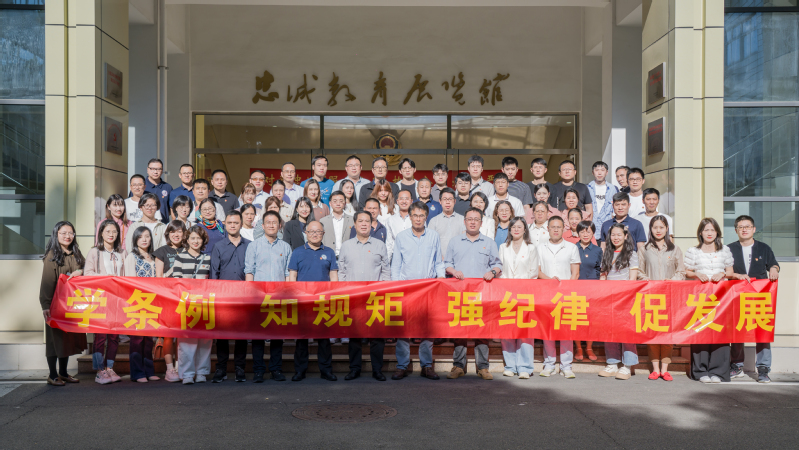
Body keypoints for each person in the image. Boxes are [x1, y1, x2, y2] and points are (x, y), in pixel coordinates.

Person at [445, 208, 502, 380]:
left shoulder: (489, 242)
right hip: (460, 293)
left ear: (481, 223)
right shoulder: (455, 241)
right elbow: (447, 264)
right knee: (459, 331)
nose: (472, 222)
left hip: (481, 294)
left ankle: (483, 367)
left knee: (482, 331)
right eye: (469, 219)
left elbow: (498, 265)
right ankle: (458, 366)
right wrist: (454, 271)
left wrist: (492, 272)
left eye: (476, 219)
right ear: (464, 221)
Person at [391, 201, 445, 380]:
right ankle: (402, 365)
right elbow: (396, 265)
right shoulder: (401, 237)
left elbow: (438, 262)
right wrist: (396, 288)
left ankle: (426, 366)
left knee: (427, 329)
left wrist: (441, 280)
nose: (418, 219)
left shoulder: (434, 236)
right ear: (410, 216)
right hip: (406, 289)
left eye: (422, 215)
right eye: (415, 215)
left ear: (426, 217)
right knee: (403, 329)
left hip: (428, 289)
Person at [338, 211, 391, 381]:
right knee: (354, 336)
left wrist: (384, 293)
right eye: (360, 221)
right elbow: (342, 271)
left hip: (375, 297)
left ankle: (377, 370)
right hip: (353, 298)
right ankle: (354, 369)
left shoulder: (379, 245)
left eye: (367, 221)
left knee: (377, 336)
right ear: (354, 224)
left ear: (371, 225)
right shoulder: (346, 246)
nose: (363, 224)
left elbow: (385, 271)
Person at [727, 215, 780, 383]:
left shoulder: (763, 248)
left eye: (747, 226)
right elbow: (725, 271)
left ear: (754, 229)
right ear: (736, 230)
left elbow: (774, 264)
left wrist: (774, 269)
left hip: (759, 297)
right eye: (741, 227)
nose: (744, 229)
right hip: (737, 296)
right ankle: (736, 366)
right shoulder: (729, 249)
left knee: (762, 331)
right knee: (737, 331)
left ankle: (763, 369)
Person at [245, 211, 293, 382]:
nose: (271, 225)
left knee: (277, 336)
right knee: (258, 336)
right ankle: (258, 370)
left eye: (274, 222)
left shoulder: (285, 247)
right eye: (268, 222)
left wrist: (287, 295)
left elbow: (287, 273)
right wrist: (250, 295)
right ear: (263, 225)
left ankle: (276, 369)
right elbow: (249, 271)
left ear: (279, 226)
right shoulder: (254, 246)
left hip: (279, 297)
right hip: (259, 297)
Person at [684, 217, 734, 384]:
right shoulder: (693, 251)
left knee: (720, 332)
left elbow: (730, 272)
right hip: (701, 297)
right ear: (700, 233)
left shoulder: (724, 250)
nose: (709, 233)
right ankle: (701, 371)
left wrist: (723, 274)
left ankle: (718, 371)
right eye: (706, 230)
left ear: (717, 232)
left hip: (721, 298)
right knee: (701, 332)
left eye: (712, 230)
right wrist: (697, 274)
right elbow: (687, 272)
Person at [288, 221, 338, 381]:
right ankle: (300, 370)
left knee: (324, 338)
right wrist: (293, 297)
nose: (315, 234)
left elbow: (333, 276)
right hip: (303, 302)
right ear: (306, 233)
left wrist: (333, 296)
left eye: (318, 231)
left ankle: (326, 370)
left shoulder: (329, 252)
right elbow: (292, 276)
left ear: (323, 233)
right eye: (311, 231)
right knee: (302, 338)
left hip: (323, 301)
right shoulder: (297, 252)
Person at [638, 215, 685, 382]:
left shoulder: (675, 249)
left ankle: (665, 369)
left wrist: (672, 280)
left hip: (670, 297)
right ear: (650, 229)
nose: (658, 230)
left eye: (661, 227)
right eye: (655, 227)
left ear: (667, 229)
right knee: (652, 333)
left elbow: (681, 272)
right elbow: (639, 272)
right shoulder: (644, 249)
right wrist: (648, 282)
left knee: (667, 334)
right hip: (651, 297)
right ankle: (655, 369)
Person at [40, 221, 87, 386]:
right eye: (63, 233)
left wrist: (80, 271)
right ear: (56, 234)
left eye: (70, 233)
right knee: (54, 340)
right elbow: (46, 283)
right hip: (55, 304)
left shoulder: (75, 253)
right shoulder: (52, 255)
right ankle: (52, 375)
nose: (68, 236)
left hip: (71, 304)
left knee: (65, 339)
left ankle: (64, 373)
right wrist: (46, 305)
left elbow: (86, 268)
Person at [211, 211, 252, 383]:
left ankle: (239, 369)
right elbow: (214, 273)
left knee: (241, 336)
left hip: (243, 296)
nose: (233, 225)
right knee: (222, 336)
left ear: (241, 224)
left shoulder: (250, 245)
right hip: (224, 296)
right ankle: (221, 369)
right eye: (230, 223)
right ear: (225, 225)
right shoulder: (218, 246)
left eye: (236, 222)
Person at [537, 216, 579, 379]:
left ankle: (566, 366)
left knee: (566, 331)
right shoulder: (540, 248)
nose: (555, 230)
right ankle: (549, 364)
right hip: (546, 294)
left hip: (566, 295)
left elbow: (575, 273)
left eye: (559, 227)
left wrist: (566, 288)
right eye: (553, 227)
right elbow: (537, 271)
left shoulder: (571, 247)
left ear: (563, 229)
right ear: (548, 229)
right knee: (548, 330)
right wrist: (550, 282)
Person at [84, 219, 125, 384]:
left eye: (114, 231)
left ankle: (109, 368)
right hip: (100, 300)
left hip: (117, 300)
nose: (111, 234)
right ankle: (99, 370)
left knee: (114, 336)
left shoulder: (122, 253)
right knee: (100, 336)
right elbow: (88, 273)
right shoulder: (95, 252)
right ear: (101, 233)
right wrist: (107, 278)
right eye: (107, 231)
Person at [170, 226, 213, 385]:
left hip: (205, 304)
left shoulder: (207, 258)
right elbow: (176, 281)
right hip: (186, 304)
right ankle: (187, 374)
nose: (195, 241)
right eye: (192, 238)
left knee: (205, 340)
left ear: (203, 240)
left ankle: (202, 372)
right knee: (186, 341)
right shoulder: (180, 257)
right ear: (187, 240)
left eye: (199, 238)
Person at [597, 223, 640, 381]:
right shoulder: (606, 253)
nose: (616, 238)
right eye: (613, 235)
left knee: (626, 333)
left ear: (626, 236)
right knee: (610, 331)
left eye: (619, 235)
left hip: (626, 299)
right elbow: (603, 276)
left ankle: (627, 366)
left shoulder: (631, 254)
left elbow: (632, 279)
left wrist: (624, 297)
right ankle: (612, 363)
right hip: (609, 300)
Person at [498, 217, 539, 379]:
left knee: (525, 331)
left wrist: (520, 287)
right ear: (509, 229)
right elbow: (500, 270)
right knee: (507, 330)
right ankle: (510, 365)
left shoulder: (531, 248)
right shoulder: (503, 247)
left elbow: (533, 272)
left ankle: (525, 366)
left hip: (525, 294)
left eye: (519, 227)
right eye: (513, 227)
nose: (516, 229)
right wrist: (508, 286)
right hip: (506, 294)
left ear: (524, 230)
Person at [124, 227, 159, 383]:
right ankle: (137, 373)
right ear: (135, 239)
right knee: (137, 339)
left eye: (147, 236)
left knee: (149, 339)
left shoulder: (153, 256)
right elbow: (130, 281)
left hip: (151, 302)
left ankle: (149, 371)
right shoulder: (131, 257)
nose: (144, 239)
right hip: (137, 301)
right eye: (140, 237)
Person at [152, 220, 186, 382]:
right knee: (168, 335)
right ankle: (170, 369)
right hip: (167, 298)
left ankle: (180, 367)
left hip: (185, 299)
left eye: (179, 231)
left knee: (182, 336)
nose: (176, 234)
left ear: (184, 234)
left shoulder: (188, 250)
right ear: (168, 234)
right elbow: (158, 278)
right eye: (173, 231)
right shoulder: (161, 251)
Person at [575, 220, 601, 362]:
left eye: (588, 231)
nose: (585, 234)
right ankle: (579, 347)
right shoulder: (572, 248)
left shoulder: (598, 250)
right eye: (582, 231)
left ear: (593, 233)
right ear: (577, 233)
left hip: (593, 290)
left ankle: (589, 347)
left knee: (591, 320)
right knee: (577, 319)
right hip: (576, 290)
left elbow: (600, 270)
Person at [428, 188, 465, 260]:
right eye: (445, 199)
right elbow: (431, 243)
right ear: (440, 201)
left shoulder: (462, 219)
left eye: (450, 199)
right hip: (439, 261)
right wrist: (440, 258)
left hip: (458, 260)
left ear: (454, 201)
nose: (447, 202)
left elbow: (464, 241)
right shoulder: (434, 221)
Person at [588, 161, 619, 240]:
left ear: (606, 172)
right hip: (591, 228)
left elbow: (616, 208)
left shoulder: (613, 189)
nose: (599, 173)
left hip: (608, 228)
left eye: (602, 170)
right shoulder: (587, 188)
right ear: (593, 172)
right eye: (597, 170)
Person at [320, 191, 354, 258]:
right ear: (330, 203)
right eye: (335, 201)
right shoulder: (323, 221)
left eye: (341, 201)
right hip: (328, 256)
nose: (338, 204)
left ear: (345, 203)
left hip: (347, 256)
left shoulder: (352, 220)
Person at [385, 190, 413, 260]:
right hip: (396, 257)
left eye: (407, 199)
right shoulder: (390, 220)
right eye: (401, 199)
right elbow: (389, 243)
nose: (404, 201)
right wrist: (387, 262)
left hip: (413, 255)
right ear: (397, 201)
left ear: (411, 201)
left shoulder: (417, 219)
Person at [143, 158, 173, 224]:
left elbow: (170, 209)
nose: (155, 172)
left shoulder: (168, 187)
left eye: (158, 169)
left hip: (163, 225)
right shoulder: (141, 186)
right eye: (152, 169)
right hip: (144, 225)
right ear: (147, 170)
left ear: (162, 170)